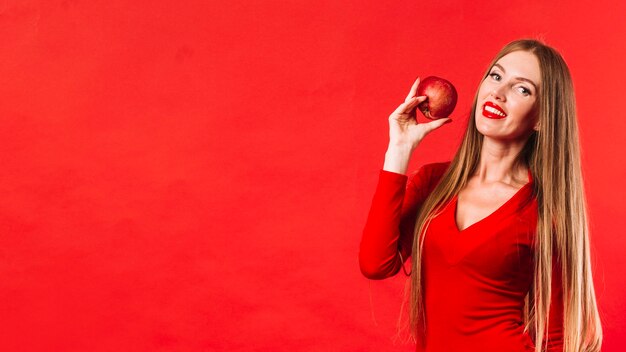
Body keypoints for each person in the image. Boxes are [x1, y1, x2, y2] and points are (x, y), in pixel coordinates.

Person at [359, 39, 603, 352]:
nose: (498, 93)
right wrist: (399, 150)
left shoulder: (544, 212)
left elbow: (560, 337)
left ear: (542, 118)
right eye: (496, 76)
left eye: (522, 89)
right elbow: (375, 264)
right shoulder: (434, 183)